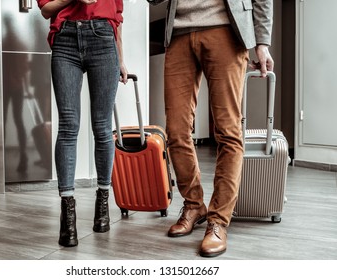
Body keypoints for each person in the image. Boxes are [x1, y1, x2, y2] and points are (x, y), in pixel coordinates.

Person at [147, 0, 274, 257]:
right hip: (179, 33)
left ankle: (218, 220)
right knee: (176, 130)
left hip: (226, 30)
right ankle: (194, 206)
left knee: (228, 132)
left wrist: (262, 42)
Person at [37, 0, 128, 247]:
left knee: (101, 126)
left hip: (103, 38)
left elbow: (116, 17)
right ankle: (67, 217)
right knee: (68, 126)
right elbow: (46, 9)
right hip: (65, 39)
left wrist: (120, 58)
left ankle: (103, 205)